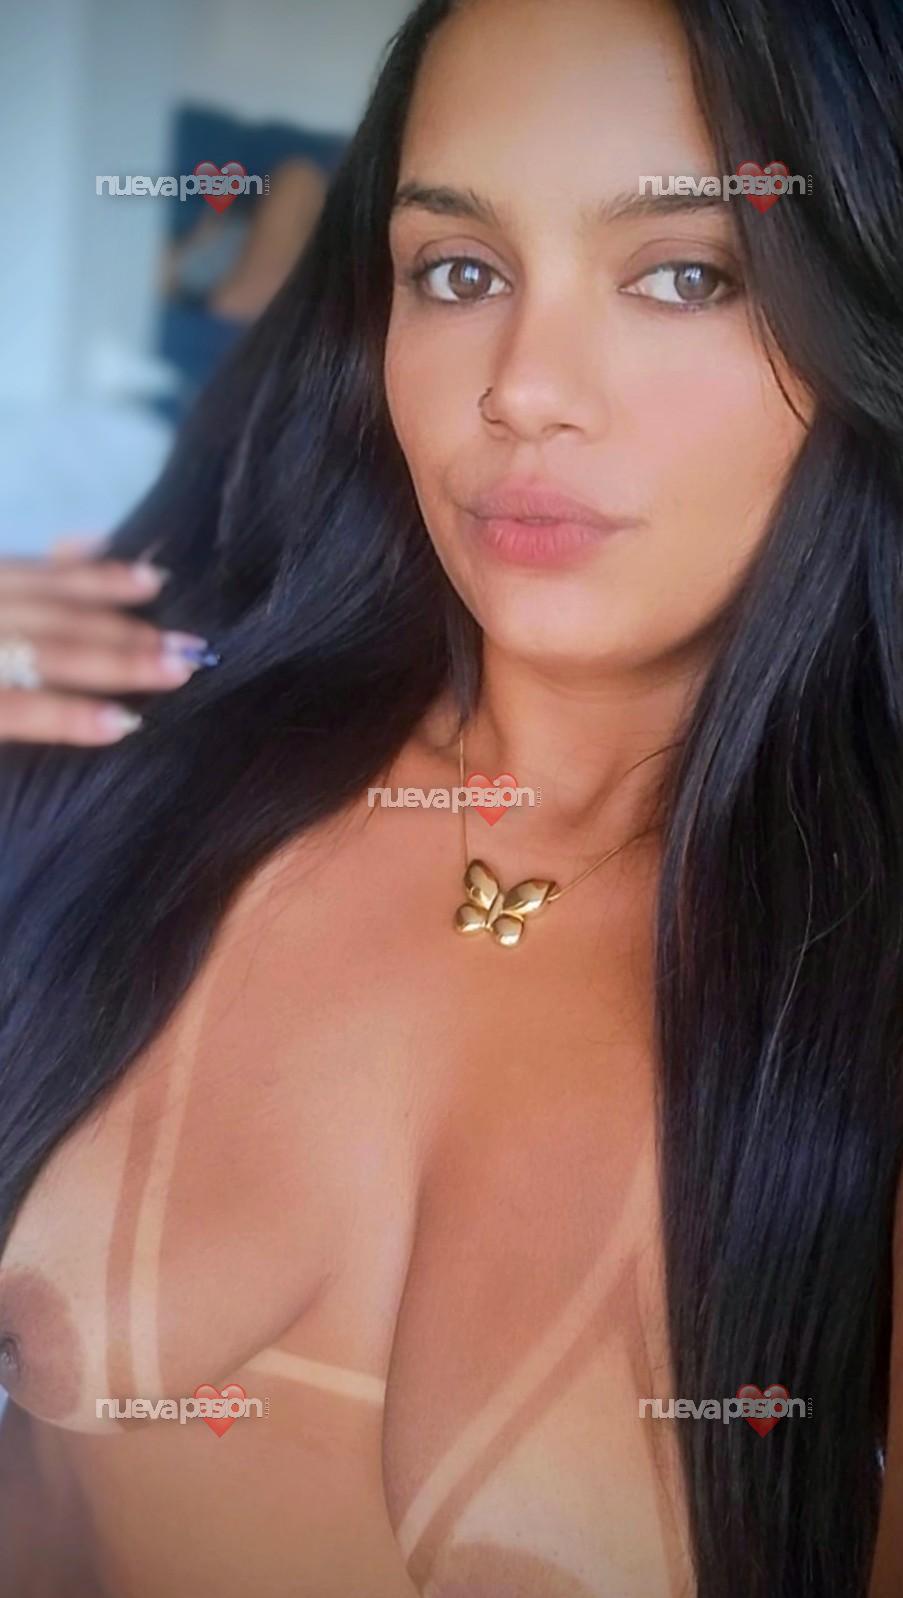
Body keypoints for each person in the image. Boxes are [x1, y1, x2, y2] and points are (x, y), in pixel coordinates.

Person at [0, 0, 900, 1594]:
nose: (524, 390)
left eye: (688, 274)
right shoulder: (130, 761)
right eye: (461, 272)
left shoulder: (864, 992)